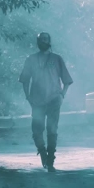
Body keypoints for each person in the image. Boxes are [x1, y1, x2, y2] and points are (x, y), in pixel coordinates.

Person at [19, 32, 73, 172]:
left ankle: (50, 160)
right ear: (37, 42)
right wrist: (28, 96)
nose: (43, 41)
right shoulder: (31, 59)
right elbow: (25, 80)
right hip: (36, 100)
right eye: (41, 39)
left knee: (52, 129)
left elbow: (66, 80)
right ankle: (42, 152)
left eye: (46, 39)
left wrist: (62, 95)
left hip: (54, 99)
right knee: (37, 130)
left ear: (49, 41)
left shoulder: (56, 59)